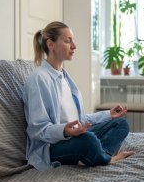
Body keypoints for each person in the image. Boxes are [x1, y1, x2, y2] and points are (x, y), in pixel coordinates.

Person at [23, 21, 134, 171]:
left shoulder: (65, 77)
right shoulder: (38, 79)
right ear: (51, 44)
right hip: (52, 147)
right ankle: (105, 158)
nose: (74, 46)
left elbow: (80, 120)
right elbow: (37, 130)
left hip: (75, 137)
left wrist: (108, 114)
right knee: (87, 140)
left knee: (120, 124)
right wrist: (65, 131)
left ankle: (98, 155)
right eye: (68, 41)